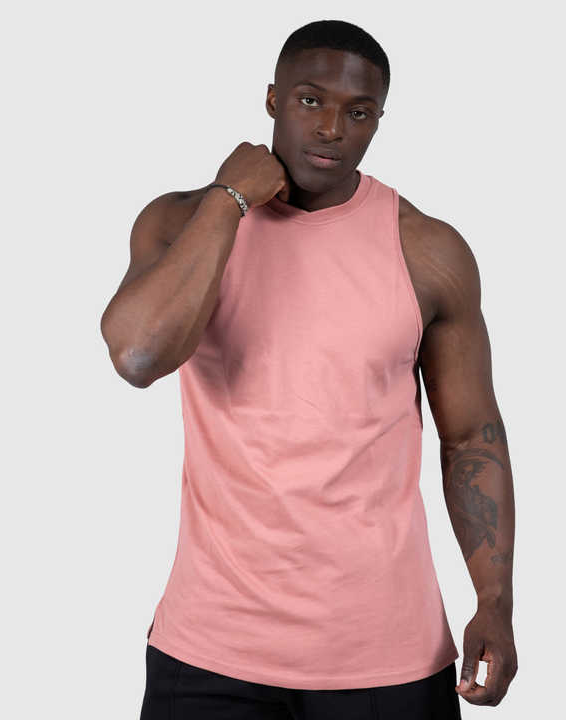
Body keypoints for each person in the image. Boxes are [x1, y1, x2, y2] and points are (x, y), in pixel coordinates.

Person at [101, 19, 517, 720]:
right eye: (310, 100)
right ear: (272, 99)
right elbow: (138, 356)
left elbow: (472, 436)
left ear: (379, 120)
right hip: (211, 652)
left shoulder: (427, 251)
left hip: (387, 655)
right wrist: (229, 199)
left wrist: (494, 602)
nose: (331, 128)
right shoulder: (182, 223)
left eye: (359, 112)